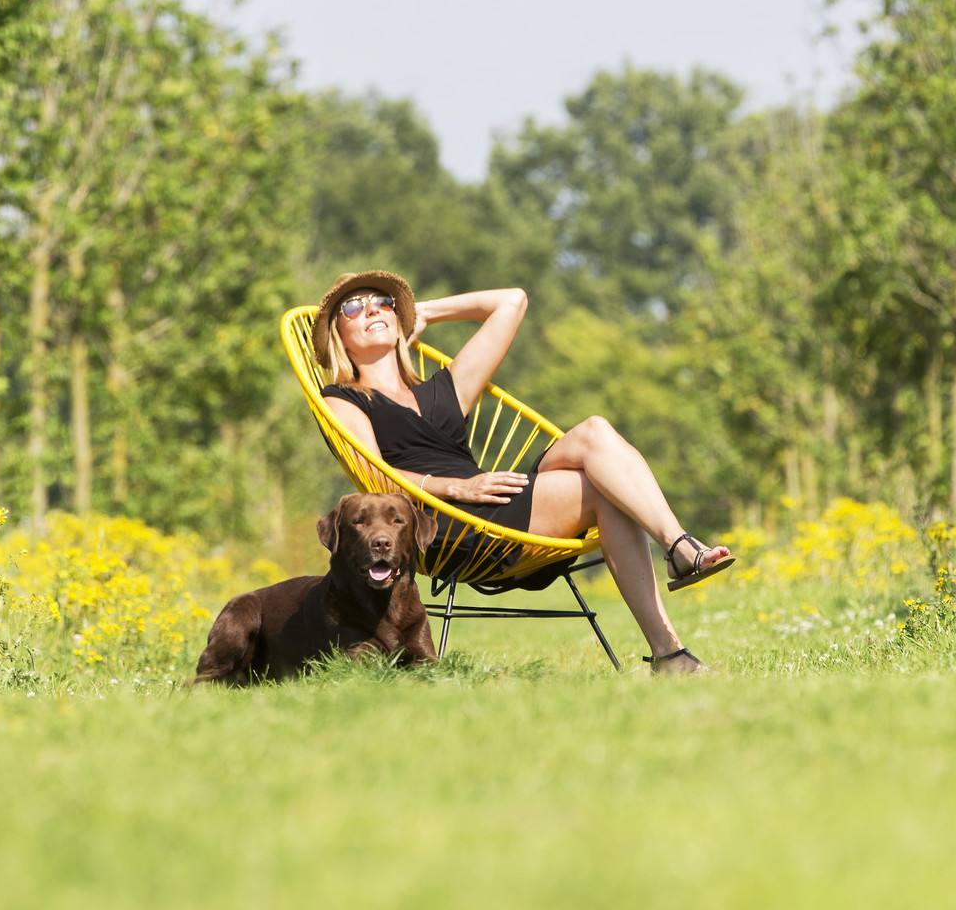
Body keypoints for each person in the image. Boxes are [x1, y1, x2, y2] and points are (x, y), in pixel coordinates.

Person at [311, 270, 734, 675]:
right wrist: (455, 486)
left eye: (383, 303)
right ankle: (670, 641)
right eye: (353, 308)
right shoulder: (343, 400)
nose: (372, 311)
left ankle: (676, 550)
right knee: (607, 490)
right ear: (338, 336)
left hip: (494, 502)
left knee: (595, 431)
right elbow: (379, 480)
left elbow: (512, 300)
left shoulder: (444, 389)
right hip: (452, 525)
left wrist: (425, 311)